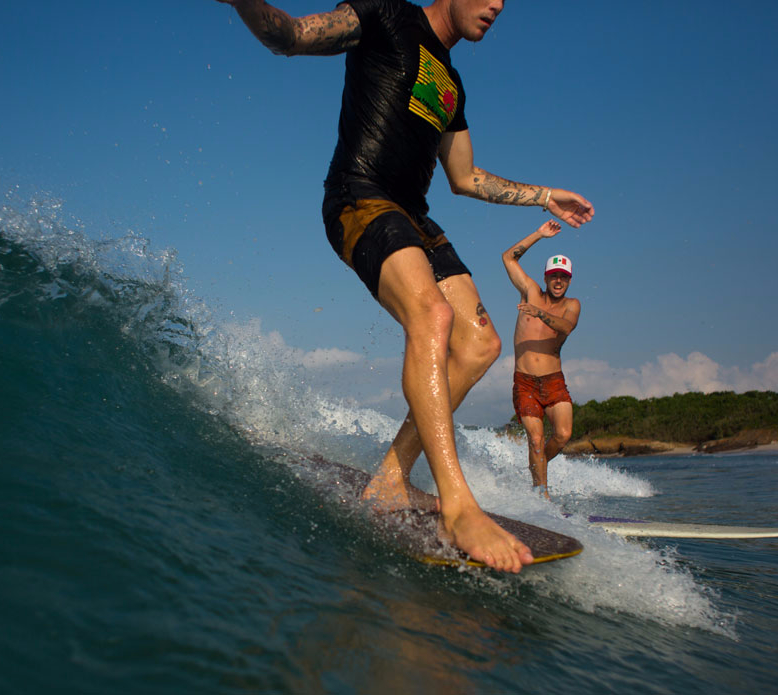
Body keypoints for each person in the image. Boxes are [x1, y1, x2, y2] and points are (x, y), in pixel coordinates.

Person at [218, 0, 594, 573]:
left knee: (479, 346)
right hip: (359, 196)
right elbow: (291, 36)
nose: (497, 6)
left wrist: (544, 195)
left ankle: (392, 480)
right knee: (433, 318)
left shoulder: (453, 85)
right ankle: (458, 506)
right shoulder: (387, 13)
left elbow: (465, 178)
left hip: (413, 216)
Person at [501, 220, 579, 498]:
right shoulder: (531, 291)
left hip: (554, 381)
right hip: (525, 383)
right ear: (546, 278)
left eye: (564, 277)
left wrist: (540, 314)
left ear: (569, 280)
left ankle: (537, 467)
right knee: (535, 439)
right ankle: (542, 496)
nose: (558, 281)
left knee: (563, 435)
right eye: (554, 276)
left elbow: (566, 327)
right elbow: (508, 257)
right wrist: (539, 234)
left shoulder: (572, 305)